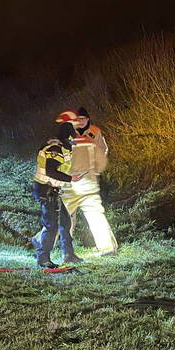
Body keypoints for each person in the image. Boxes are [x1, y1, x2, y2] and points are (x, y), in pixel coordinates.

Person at [59, 107, 118, 256]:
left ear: (88, 119)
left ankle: (48, 244)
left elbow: (103, 150)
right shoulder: (84, 140)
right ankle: (107, 248)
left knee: (64, 214)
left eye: (84, 119)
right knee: (94, 215)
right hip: (84, 181)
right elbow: (101, 158)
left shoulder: (89, 133)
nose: (81, 122)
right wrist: (95, 170)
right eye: (78, 119)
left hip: (73, 182)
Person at [30, 121, 83, 268]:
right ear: (68, 138)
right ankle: (43, 258)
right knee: (51, 225)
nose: (74, 143)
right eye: (73, 139)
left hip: (53, 190)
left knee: (65, 222)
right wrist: (71, 178)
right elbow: (51, 171)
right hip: (45, 191)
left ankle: (68, 254)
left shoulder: (62, 148)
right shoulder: (55, 149)